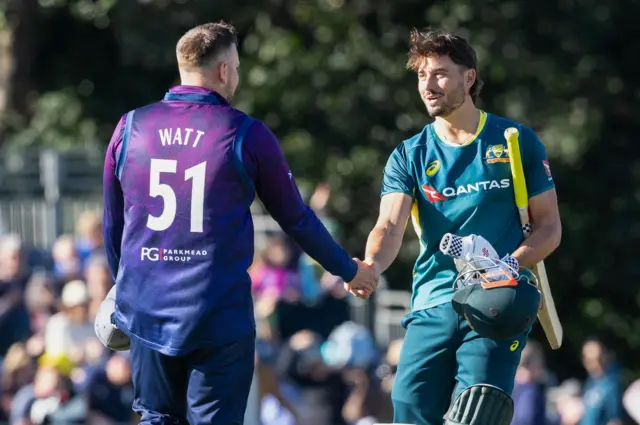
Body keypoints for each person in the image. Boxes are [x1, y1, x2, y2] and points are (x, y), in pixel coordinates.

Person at [100, 20, 377, 425]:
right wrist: (350, 269)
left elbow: (113, 222)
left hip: (147, 307)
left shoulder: (130, 126)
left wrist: (122, 292)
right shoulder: (244, 133)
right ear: (224, 70)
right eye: (238, 67)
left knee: (157, 418)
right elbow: (295, 218)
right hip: (217, 313)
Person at [359, 28, 562, 425]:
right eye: (421, 75)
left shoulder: (515, 140)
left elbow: (550, 226)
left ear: (468, 78)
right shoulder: (410, 154)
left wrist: (510, 266)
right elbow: (389, 225)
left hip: (497, 298)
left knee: (478, 409)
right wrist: (370, 265)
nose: (428, 85)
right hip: (433, 301)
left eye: (439, 74)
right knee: (409, 405)